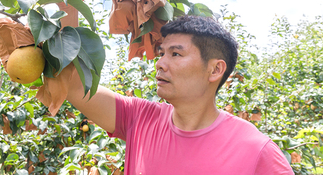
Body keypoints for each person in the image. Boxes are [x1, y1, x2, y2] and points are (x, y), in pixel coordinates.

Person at [67, 15, 294, 174]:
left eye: (176, 54)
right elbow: (74, 85)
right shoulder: (139, 118)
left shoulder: (255, 149)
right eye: (162, 53)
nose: (160, 64)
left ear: (215, 70)